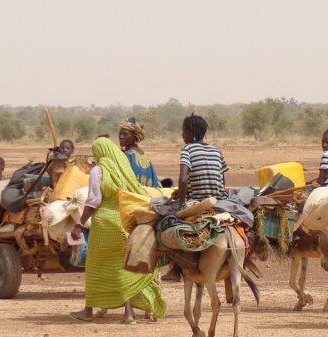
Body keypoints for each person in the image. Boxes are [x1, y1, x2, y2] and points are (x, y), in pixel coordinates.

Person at [68, 137, 166, 324]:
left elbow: (94, 201)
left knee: (95, 267)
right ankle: (128, 314)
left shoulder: (98, 170)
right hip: (123, 222)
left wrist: (80, 224)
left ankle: (88, 311)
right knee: (122, 267)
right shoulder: (122, 168)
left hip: (104, 225)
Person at [177, 114, 228, 202]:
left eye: (184, 131)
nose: (182, 135)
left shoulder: (187, 149)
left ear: (192, 132)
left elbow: (183, 180)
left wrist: (181, 204)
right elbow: (222, 181)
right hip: (220, 201)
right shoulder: (216, 150)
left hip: (197, 201)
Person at [119, 117, 160, 187]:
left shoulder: (128, 155)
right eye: (120, 134)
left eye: (125, 134)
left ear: (135, 136)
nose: (121, 136)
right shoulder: (141, 152)